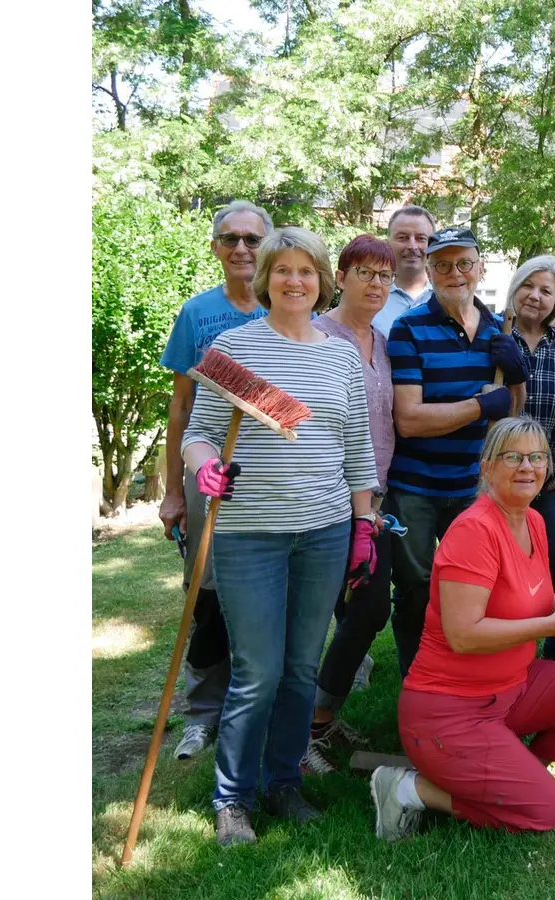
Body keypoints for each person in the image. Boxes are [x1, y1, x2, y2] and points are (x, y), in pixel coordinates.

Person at [180, 227, 379, 847]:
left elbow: (356, 448)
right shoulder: (232, 349)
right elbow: (198, 433)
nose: (295, 281)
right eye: (283, 270)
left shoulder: (340, 356)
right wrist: (204, 467)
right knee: (257, 670)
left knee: (300, 667)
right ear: (264, 278)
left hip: (322, 533)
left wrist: (364, 524)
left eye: (307, 271)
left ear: (322, 280)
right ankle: (231, 799)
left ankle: (282, 781)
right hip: (248, 535)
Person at [368, 417, 555, 839]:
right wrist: (549, 625)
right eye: (513, 457)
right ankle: (406, 788)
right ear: (486, 467)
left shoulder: (534, 521)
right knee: (549, 812)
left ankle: (519, 777)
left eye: (537, 457)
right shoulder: (473, 530)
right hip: (447, 711)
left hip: (512, 688)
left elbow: (538, 598)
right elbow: (463, 635)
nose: (528, 467)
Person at [157, 199, 274, 761]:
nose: (242, 249)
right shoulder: (197, 313)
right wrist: (174, 489)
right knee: (206, 593)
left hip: (276, 479)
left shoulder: (292, 309)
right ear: (215, 248)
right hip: (211, 476)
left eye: (253, 239)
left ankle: (264, 707)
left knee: (271, 593)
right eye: (230, 239)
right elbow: (180, 409)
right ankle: (203, 712)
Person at [386, 226, 528, 682]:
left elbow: (508, 414)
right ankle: (419, 681)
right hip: (415, 488)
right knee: (414, 590)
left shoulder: (497, 331)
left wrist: (518, 375)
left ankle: (470, 677)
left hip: (473, 487)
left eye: (464, 263)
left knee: (476, 588)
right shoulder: (407, 330)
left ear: (480, 268)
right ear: (428, 271)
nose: (455, 273)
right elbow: (408, 418)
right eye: (443, 265)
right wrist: (477, 406)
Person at [299, 235, 401, 774]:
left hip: (373, 500)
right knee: (335, 614)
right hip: (322, 499)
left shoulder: (380, 343)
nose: (376, 284)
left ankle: (318, 720)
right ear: (341, 276)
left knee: (366, 610)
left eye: (385, 275)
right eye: (365, 272)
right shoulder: (317, 335)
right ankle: (303, 730)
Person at [503, 255, 555, 662]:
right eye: (528, 286)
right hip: (498, 475)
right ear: (515, 288)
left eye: (546, 291)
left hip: (547, 474)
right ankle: (505, 641)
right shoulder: (495, 333)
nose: (535, 296)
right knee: (501, 559)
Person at [373, 205, 437, 332]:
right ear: (387, 243)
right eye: (402, 238)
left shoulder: (447, 296)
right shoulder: (371, 296)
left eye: (421, 238)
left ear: (433, 245)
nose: (412, 246)